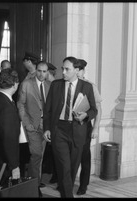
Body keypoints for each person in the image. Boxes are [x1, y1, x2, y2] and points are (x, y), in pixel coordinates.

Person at [43, 56, 98, 197]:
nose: (63, 72)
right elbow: (47, 109)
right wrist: (47, 128)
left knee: (73, 167)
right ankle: (67, 194)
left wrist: (85, 115)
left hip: (78, 131)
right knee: (64, 166)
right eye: (63, 68)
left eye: (67, 69)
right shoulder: (56, 85)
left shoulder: (87, 87)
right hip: (59, 130)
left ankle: (65, 189)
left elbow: (94, 110)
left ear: (77, 70)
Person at [17, 61, 51, 190]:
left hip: (46, 126)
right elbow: (20, 105)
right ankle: (33, 184)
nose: (41, 74)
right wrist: (27, 124)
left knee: (39, 155)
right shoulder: (26, 84)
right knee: (36, 154)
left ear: (47, 72)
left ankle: (35, 180)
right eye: (39, 71)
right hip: (32, 125)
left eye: (44, 71)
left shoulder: (50, 85)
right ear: (35, 70)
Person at [0, 68, 21, 187]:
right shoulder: (7, 107)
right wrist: (14, 166)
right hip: (5, 162)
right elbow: (9, 139)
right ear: (15, 84)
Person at [76, 59, 102, 195]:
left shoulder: (90, 86)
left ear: (83, 70)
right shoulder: (68, 84)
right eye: (76, 69)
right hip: (70, 126)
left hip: (85, 125)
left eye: (80, 69)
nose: (78, 72)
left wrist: (96, 127)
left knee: (84, 156)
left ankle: (83, 185)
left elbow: (98, 108)